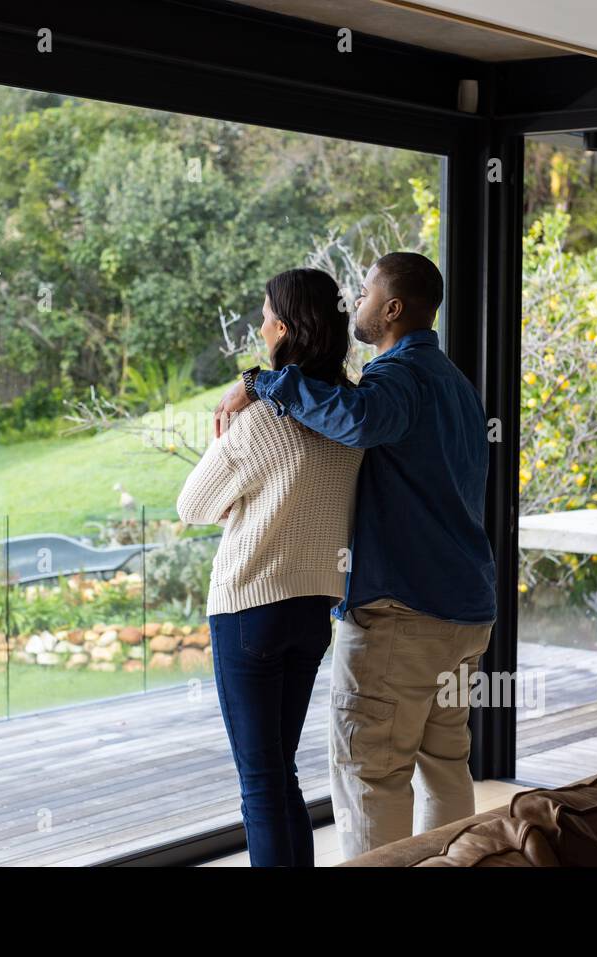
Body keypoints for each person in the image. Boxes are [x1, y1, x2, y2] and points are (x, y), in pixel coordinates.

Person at [212, 251, 497, 861]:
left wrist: (263, 381)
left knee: (371, 772)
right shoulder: (456, 384)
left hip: (406, 614)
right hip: (468, 611)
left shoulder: (399, 380)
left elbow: (357, 420)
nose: (354, 304)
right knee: (445, 767)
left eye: (365, 293)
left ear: (392, 309)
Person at [176, 267, 363, 867]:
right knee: (281, 775)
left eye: (263, 316)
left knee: (261, 783)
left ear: (282, 327)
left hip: (248, 609)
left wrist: (237, 420)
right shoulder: (351, 414)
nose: (259, 325)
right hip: (314, 614)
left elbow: (192, 505)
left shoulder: (259, 421)